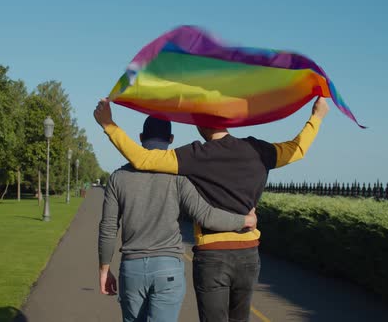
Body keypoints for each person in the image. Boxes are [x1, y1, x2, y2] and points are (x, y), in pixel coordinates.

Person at [94, 97, 330, 322]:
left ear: (199, 123)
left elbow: (144, 160)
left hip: (211, 254)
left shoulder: (195, 156)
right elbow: (297, 149)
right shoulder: (257, 150)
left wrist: (109, 124)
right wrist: (316, 117)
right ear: (229, 120)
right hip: (248, 253)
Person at [98, 116, 258, 322]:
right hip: (168, 268)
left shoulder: (118, 177)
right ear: (171, 139)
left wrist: (104, 269)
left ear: (139, 138)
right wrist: (244, 220)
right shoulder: (179, 177)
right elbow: (206, 215)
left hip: (132, 269)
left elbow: (108, 227)